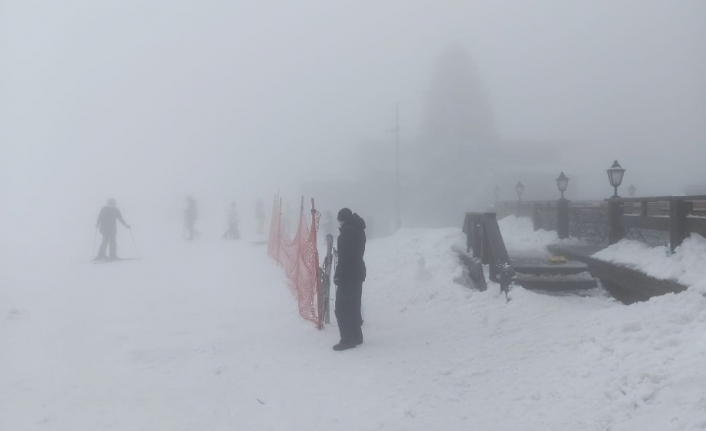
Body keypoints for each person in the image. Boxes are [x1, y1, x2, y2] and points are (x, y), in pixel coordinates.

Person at [333, 208, 366, 351]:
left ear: (342, 220)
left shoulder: (346, 234)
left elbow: (344, 257)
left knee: (341, 308)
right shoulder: (359, 230)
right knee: (353, 305)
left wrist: (338, 274)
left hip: (348, 274)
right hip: (358, 272)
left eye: (339, 221)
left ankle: (347, 339)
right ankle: (357, 336)